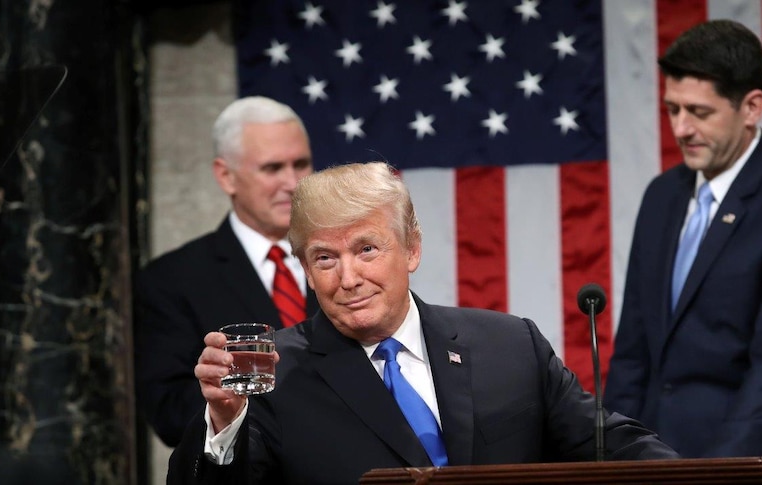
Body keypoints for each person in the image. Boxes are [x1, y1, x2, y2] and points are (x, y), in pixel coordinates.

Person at [166, 161, 678, 484]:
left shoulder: (509, 345)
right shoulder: (273, 374)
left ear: (411, 248)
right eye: (325, 258)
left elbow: (615, 448)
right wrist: (225, 423)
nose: (348, 277)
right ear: (304, 268)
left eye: (367, 249)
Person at [604, 20, 762, 458]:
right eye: (673, 109)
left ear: (751, 107)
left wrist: (714, 475)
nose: (681, 129)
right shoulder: (661, 196)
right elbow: (633, 356)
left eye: (699, 112)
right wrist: (614, 460)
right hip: (652, 466)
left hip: (750, 466)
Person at [134, 96, 320, 447]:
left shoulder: (346, 258)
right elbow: (170, 413)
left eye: (301, 164)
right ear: (226, 176)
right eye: (272, 168)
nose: (293, 182)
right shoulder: (171, 279)